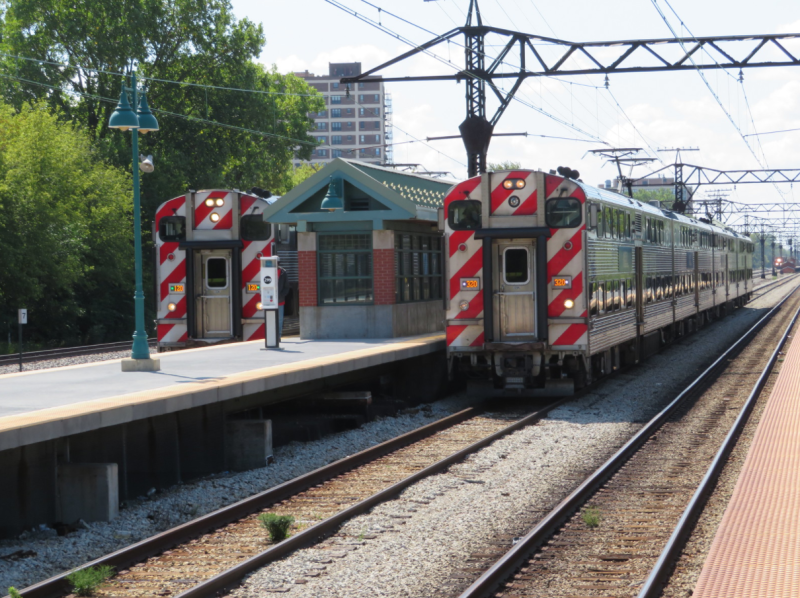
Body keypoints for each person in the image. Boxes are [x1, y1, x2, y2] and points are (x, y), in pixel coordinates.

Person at [277, 266, 289, 337]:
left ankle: (278, 335)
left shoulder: (283, 272)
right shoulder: (266, 270)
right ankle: (272, 335)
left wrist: (281, 295)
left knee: (280, 319)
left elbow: (286, 286)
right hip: (269, 301)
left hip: (280, 300)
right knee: (270, 318)